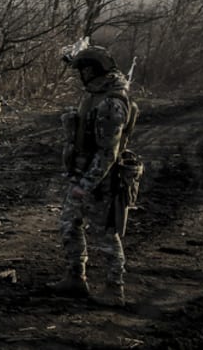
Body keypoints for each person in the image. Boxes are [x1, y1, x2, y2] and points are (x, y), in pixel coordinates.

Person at [51, 44, 137, 306]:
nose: (81, 75)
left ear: (94, 71)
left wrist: (86, 184)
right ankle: (75, 278)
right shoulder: (96, 93)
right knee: (69, 225)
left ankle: (115, 289)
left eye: (84, 70)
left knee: (106, 235)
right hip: (80, 173)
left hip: (102, 180)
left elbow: (107, 153)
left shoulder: (112, 103)